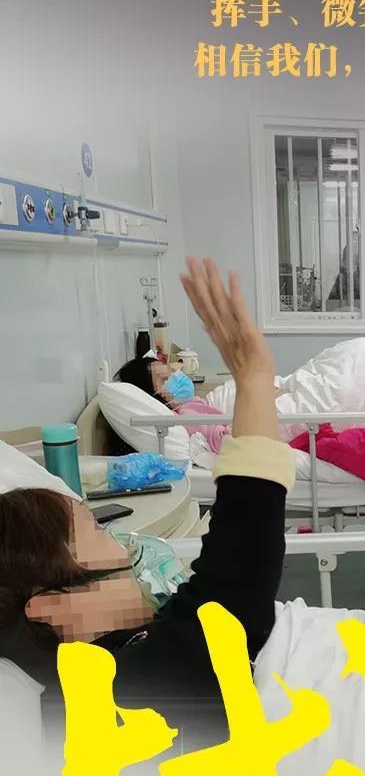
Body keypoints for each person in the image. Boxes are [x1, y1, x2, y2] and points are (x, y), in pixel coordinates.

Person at [0, 258, 294, 728]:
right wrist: (254, 378)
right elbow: (235, 580)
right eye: (101, 534)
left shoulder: (123, 653)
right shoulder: (120, 692)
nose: (130, 549)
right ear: (50, 606)